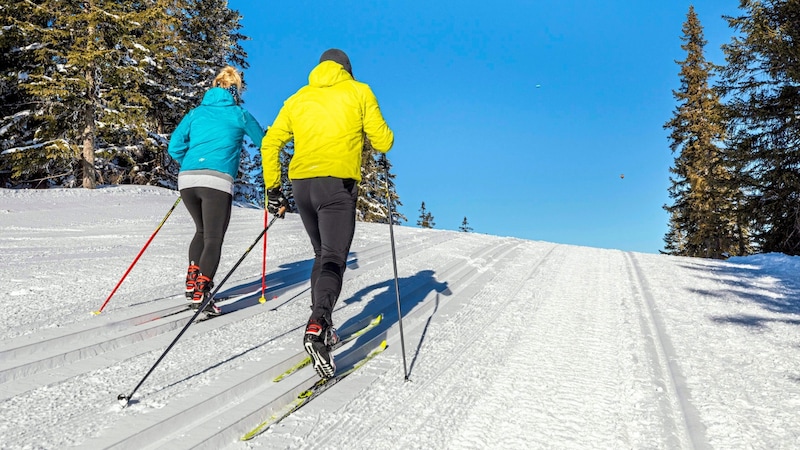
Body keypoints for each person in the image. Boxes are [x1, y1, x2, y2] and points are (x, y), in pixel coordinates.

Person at [261, 49, 394, 378]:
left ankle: (321, 323)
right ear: (347, 69)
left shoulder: (298, 98)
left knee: (321, 254)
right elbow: (384, 141)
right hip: (336, 184)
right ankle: (318, 324)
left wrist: (273, 188)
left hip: (302, 186)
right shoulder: (359, 91)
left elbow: (271, 142)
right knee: (334, 256)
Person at [168, 66, 264, 315]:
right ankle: (202, 291)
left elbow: (174, 146)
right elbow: (265, 142)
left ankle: (192, 279)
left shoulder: (196, 113)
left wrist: (192, 163)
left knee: (201, 231)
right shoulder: (239, 114)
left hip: (188, 179)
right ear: (235, 91)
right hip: (217, 181)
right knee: (213, 237)